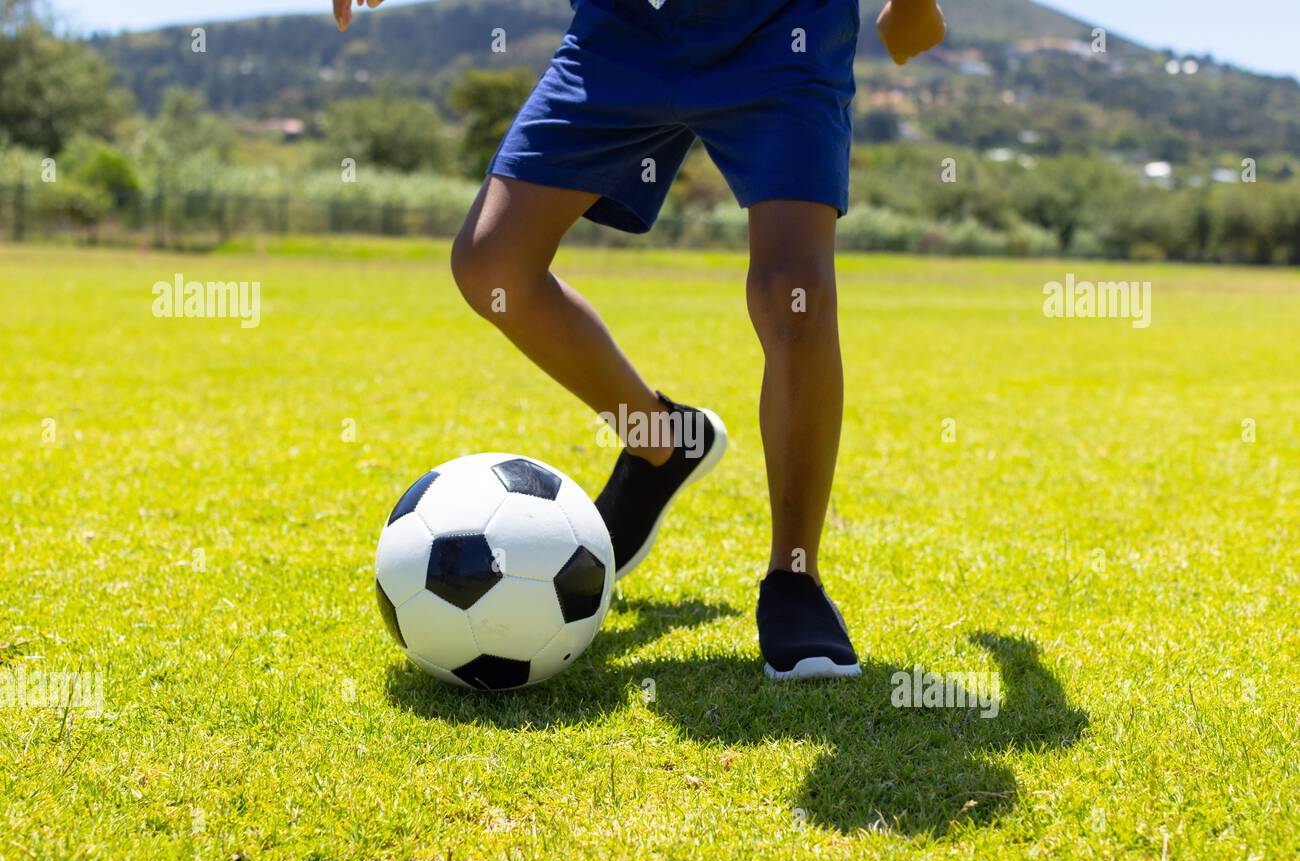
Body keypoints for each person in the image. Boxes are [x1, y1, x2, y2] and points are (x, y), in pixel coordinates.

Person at [334, 0, 946, 679]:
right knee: (491, 263)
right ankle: (661, 442)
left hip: (783, 30)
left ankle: (794, 579)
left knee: (791, 294)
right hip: (626, 27)